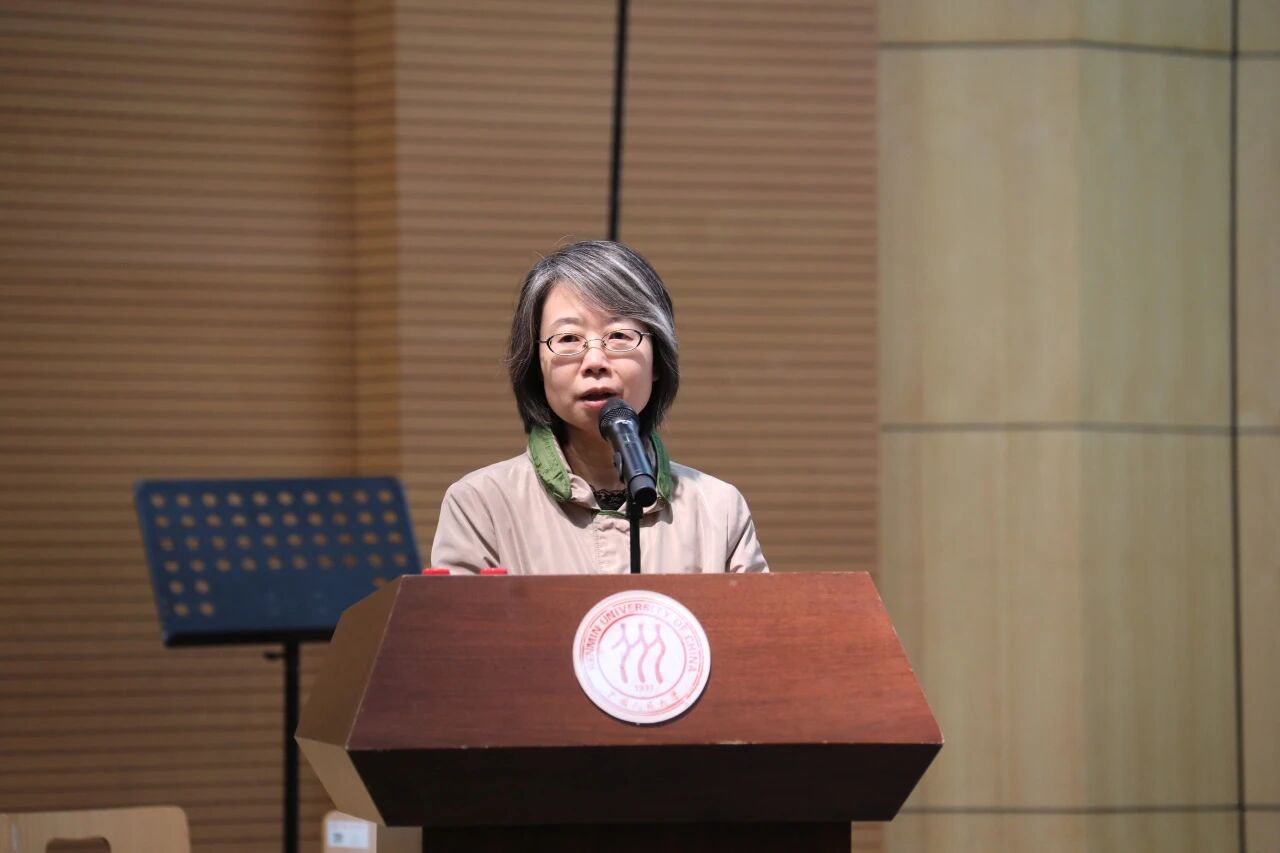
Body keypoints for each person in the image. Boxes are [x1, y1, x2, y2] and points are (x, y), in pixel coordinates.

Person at [430, 240, 768, 575]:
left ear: (658, 360)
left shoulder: (719, 510)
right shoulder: (481, 505)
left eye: (619, 336)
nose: (595, 361)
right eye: (568, 339)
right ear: (536, 366)